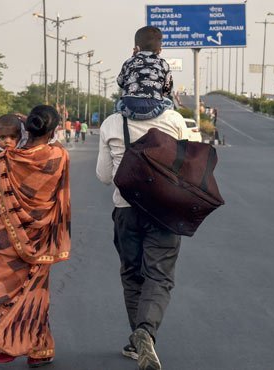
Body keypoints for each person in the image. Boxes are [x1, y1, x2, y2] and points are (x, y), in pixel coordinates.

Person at [97, 27, 188, 368]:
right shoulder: (175, 122)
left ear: (126, 82)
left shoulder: (110, 123)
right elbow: (184, 170)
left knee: (132, 274)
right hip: (164, 211)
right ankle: (146, 334)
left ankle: (137, 340)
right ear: (165, 84)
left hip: (126, 209)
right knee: (159, 276)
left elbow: (104, 177)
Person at [0, 105, 71, 370]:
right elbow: (60, 200)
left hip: (2, 235)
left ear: (25, 129)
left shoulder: (5, 157)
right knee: (34, 293)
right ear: (53, 131)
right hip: (40, 237)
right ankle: (36, 350)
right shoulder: (58, 156)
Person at [116, 26, 174, 121]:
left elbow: (120, 82)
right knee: (169, 103)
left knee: (118, 103)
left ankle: (121, 124)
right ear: (160, 49)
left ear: (137, 48)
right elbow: (167, 90)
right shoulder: (163, 64)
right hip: (154, 108)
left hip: (129, 109)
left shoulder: (129, 62)